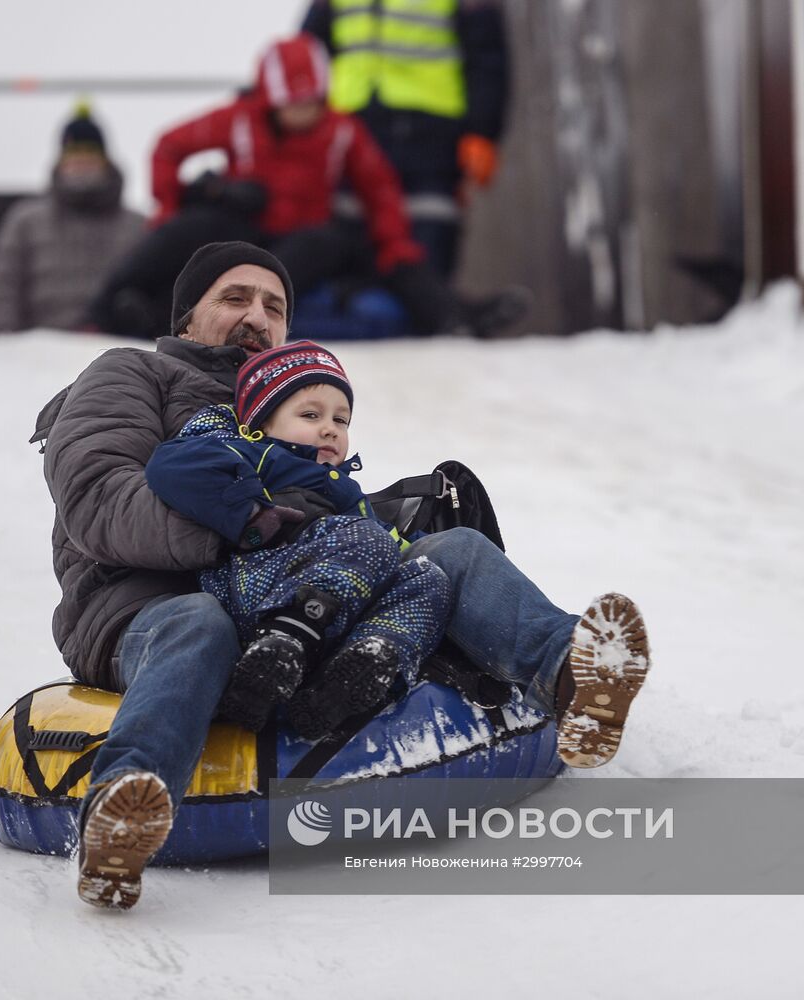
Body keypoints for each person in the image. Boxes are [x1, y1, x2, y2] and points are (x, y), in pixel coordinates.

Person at [33, 240, 649, 911]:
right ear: (186, 318)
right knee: (198, 624)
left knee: (453, 552)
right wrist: (257, 525)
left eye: (273, 306)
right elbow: (99, 499)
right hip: (147, 605)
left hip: (285, 594)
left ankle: (574, 673)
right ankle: (123, 813)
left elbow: (330, 509)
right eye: (234, 298)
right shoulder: (131, 374)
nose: (256, 317)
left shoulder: (289, 401)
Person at [86, 34, 506, 341]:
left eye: (310, 104)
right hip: (244, 227)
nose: (302, 114)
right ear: (270, 99)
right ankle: (113, 306)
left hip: (309, 237)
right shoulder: (239, 119)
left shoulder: (342, 132)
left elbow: (379, 189)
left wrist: (393, 244)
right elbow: (168, 147)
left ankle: (456, 316)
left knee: (360, 257)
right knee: (188, 233)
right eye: (292, 105)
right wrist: (171, 205)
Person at [144, 341, 451, 739]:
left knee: (429, 578)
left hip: (335, 608)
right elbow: (172, 465)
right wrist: (253, 518)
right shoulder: (252, 451)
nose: (330, 428)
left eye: (341, 421)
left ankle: (361, 667)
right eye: (311, 414)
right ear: (261, 423)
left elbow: (394, 545)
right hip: (260, 584)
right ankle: (278, 647)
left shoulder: (346, 493)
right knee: (367, 539)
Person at [302, 0, 510, 278]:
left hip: (434, 133)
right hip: (353, 129)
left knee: (428, 245)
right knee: (349, 242)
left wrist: (483, 132)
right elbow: (307, 52)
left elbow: (487, 54)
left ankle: (436, 318)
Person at [0, 104, 145, 333]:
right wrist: (2, 347)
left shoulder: (138, 227)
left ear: (105, 164)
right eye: (75, 161)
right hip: (38, 351)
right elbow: (3, 294)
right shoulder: (25, 222)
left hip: (114, 352)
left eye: (89, 160)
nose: (82, 170)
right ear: (61, 164)